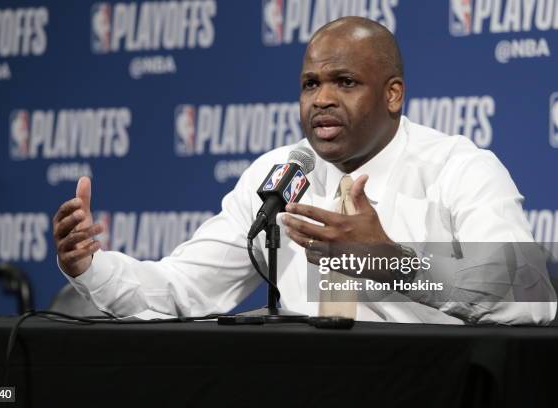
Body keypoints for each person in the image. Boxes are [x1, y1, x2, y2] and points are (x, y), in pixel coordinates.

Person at [53, 17, 556, 324]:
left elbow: (530, 294)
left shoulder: (458, 167)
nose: (322, 100)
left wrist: (391, 261)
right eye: (310, 84)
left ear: (393, 94)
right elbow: (184, 289)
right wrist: (90, 266)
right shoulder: (280, 174)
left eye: (345, 81)